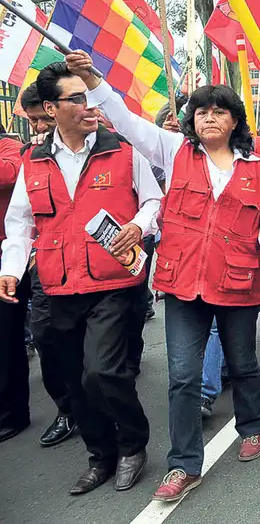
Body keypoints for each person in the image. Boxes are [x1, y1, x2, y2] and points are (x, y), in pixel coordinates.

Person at [67, 51, 260, 502]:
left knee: (244, 364)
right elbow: (125, 119)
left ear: (234, 122)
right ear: (192, 120)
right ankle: (184, 463)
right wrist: (93, 78)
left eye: (219, 111)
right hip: (182, 282)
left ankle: (253, 425)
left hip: (237, 283)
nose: (209, 118)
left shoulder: (257, 169)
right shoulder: (173, 152)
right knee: (184, 377)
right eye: (202, 111)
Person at [1, 60, 162, 495]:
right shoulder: (34, 161)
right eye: (76, 98)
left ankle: (132, 445)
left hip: (113, 282)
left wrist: (139, 225)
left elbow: (153, 201)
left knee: (102, 372)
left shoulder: (122, 150)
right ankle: (100, 456)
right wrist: (11, 268)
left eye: (88, 96)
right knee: (74, 378)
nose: (87, 105)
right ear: (52, 109)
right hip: (57, 284)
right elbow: (20, 222)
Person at [18, 83, 78, 448]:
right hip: (47, 267)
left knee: (97, 351)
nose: (40, 125)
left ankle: (100, 406)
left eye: (44, 117)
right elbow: (20, 219)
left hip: (98, 267)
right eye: (34, 119)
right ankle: (68, 410)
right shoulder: (32, 156)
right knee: (44, 335)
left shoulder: (106, 147)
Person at [0, 132, 28, 443]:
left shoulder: (10, 147)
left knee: (7, 338)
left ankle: (12, 412)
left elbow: (10, 172)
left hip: (10, 255)